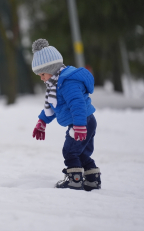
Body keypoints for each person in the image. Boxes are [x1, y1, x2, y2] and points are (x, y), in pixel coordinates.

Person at [31, 39, 101, 191]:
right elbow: (55, 106)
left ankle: (74, 180)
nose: (42, 78)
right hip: (83, 122)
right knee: (80, 153)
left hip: (82, 122)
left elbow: (78, 105)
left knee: (69, 152)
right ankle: (92, 178)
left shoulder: (67, 83)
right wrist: (42, 121)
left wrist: (80, 126)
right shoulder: (55, 84)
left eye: (42, 73)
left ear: (52, 68)